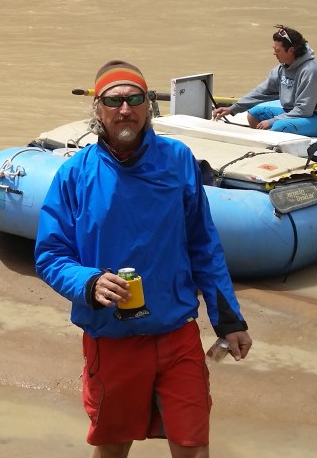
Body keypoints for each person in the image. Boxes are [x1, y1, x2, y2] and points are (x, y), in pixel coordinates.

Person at [35, 60, 251, 458]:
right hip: (111, 339)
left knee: (193, 447)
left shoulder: (178, 160)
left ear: (148, 106)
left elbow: (204, 243)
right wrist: (88, 282)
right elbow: (50, 254)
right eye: (113, 101)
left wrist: (229, 320)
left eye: (134, 99)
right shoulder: (74, 174)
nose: (125, 109)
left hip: (176, 333)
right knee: (113, 447)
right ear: (97, 109)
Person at [211, 25, 317, 137]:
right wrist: (233, 108)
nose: (274, 53)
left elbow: (304, 110)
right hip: (294, 114)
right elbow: (261, 92)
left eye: (277, 50)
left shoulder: (311, 71)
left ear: (291, 50)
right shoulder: (281, 69)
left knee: (279, 127)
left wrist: (272, 121)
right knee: (254, 114)